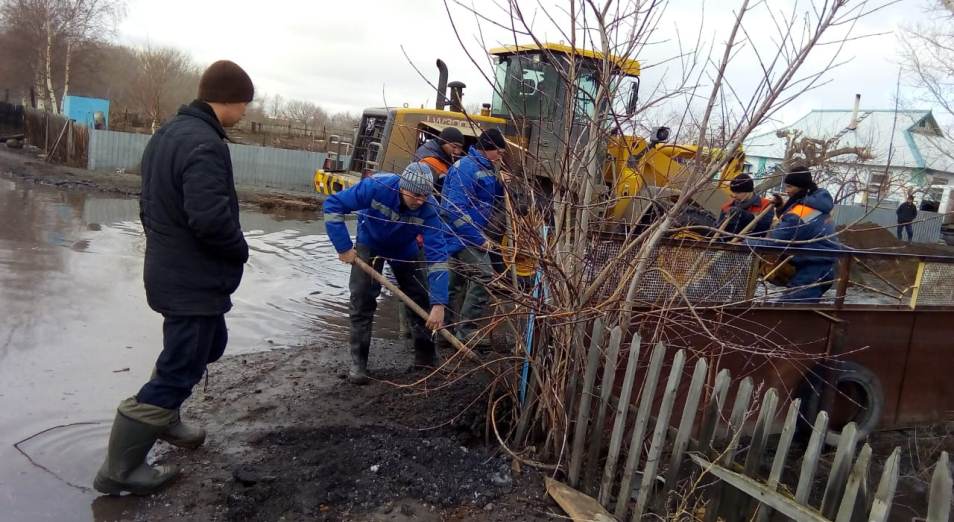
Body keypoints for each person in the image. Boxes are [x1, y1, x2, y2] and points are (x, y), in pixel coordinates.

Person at [94, 60, 254, 495]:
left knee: (209, 344)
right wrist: (240, 249)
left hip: (175, 271)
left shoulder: (167, 134)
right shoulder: (204, 144)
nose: (244, 114)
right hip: (191, 280)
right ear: (230, 100)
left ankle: (167, 417)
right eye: (243, 105)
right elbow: (209, 219)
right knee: (179, 364)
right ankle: (120, 470)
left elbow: (149, 206)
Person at [324, 163, 449, 384]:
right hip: (370, 243)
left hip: (405, 248)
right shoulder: (375, 187)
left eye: (425, 196)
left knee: (419, 299)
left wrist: (439, 304)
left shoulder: (430, 209)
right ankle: (359, 365)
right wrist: (343, 247)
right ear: (402, 187)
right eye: (416, 195)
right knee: (362, 299)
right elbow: (333, 205)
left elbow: (438, 257)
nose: (420, 200)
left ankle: (425, 361)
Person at [441, 128, 509, 345]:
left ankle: (445, 331)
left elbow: (489, 197)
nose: (501, 156)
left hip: (470, 233)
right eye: (498, 151)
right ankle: (467, 332)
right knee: (485, 276)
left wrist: (503, 185)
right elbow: (455, 210)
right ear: (488, 149)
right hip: (460, 235)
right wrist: (479, 240)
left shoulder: (487, 168)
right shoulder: (466, 169)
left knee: (456, 282)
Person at [755, 163, 840, 303]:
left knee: (788, 312)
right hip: (822, 266)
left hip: (813, 270)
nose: (787, 191)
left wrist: (745, 243)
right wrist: (782, 207)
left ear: (801, 187)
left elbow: (777, 239)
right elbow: (796, 222)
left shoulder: (801, 212)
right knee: (793, 309)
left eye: (790, 186)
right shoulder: (816, 203)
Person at [717, 173, 774, 239]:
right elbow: (718, 228)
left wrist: (744, 216)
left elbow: (762, 232)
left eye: (738, 192)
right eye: (733, 192)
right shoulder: (728, 205)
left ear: (749, 191)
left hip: (748, 245)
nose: (734, 195)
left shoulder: (765, 205)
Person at [415, 126, 466, 197]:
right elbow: (422, 193)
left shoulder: (442, 155)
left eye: (460, 148)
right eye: (454, 147)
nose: (457, 151)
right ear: (443, 143)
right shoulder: (431, 161)